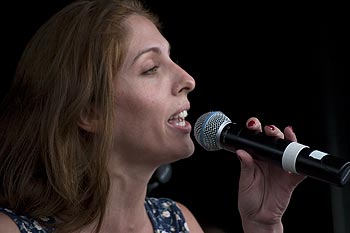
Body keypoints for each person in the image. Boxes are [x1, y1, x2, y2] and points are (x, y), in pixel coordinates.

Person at [0, 0, 306, 232]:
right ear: (89, 111)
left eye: (172, 59)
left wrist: (262, 225)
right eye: (150, 69)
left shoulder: (178, 221)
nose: (188, 79)